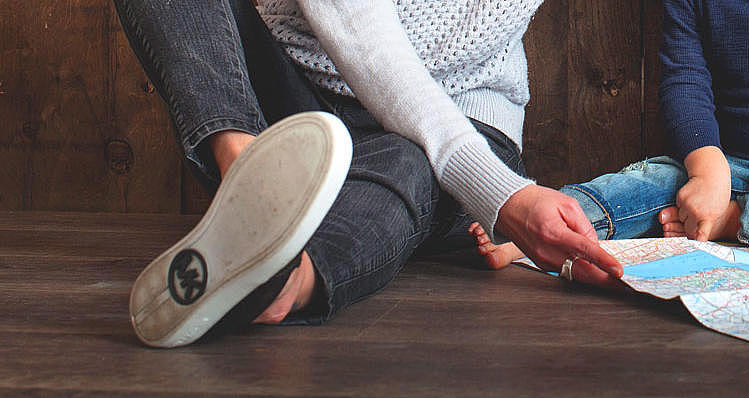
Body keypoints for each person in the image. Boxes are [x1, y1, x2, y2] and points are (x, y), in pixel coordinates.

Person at [116, 0, 621, 348]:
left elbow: (453, 56)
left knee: (408, 159)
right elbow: (365, 37)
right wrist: (510, 199)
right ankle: (246, 176)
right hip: (302, 99)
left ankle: (285, 279)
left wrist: (498, 188)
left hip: (463, 122)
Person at [473, 0, 749, 268]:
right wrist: (706, 169)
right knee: (642, 182)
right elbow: (685, 80)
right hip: (723, 164)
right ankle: (540, 231)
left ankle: (732, 223)